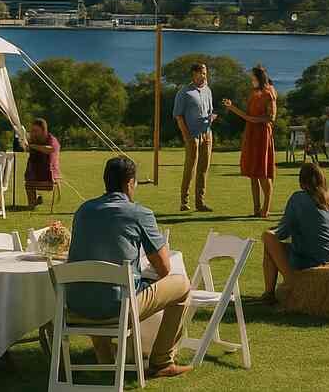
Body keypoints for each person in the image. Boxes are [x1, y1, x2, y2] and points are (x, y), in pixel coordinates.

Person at [66, 156, 191, 378]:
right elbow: (163, 269)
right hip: (117, 307)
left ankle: (104, 359)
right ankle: (161, 361)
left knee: (96, 284)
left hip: (76, 305)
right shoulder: (139, 213)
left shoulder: (83, 210)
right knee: (181, 285)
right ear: (129, 183)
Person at [260, 162, 329, 302]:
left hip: (315, 260)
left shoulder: (298, 198)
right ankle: (271, 293)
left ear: (302, 183)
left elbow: (280, 234)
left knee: (267, 238)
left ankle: (288, 284)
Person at [227, 66, 278, 217]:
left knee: (262, 172)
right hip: (251, 133)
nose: (251, 81)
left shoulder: (269, 94)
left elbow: (271, 118)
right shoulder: (254, 93)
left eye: (253, 78)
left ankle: (265, 209)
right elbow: (248, 114)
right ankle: (256, 208)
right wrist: (233, 108)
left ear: (259, 78)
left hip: (262, 134)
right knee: (253, 173)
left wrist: (250, 119)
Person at [173, 62, 218, 213]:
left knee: (203, 169)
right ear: (195, 74)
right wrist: (187, 137)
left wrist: (212, 117)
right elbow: (179, 117)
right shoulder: (184, 92)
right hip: (192, 135)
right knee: (190, 169)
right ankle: (184, 202)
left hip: (207, 134)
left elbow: (210, 110)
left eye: (206, 73)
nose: (205, 76)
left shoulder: (208, 91)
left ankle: (200, 203)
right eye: (203, 73)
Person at [23, 118, 60, 208]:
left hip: (50, 179)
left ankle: (34, 202)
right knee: (28, 183)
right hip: (36, 177)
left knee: (29, 184)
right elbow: (26, 148)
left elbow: (50, 149)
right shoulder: (34, 140)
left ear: (44, 130)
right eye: (32, 131)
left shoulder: (52, 139)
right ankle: (33, 203)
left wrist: (33, 146)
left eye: (36, 131)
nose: (33, 133)